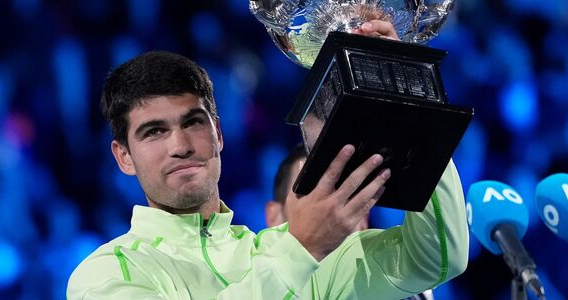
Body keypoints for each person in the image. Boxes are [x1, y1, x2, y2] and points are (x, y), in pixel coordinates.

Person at [68, 21, 468, 299]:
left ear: (218, 135)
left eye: (193, 122)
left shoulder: (282, 250)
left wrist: (407, 98)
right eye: (154, 131)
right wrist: (301, 247)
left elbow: (434, 258)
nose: (180, 145)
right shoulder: (105, 273)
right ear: (124, 156)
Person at [266, 144, 437, 300]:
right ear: (274, 215)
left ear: (363, 217)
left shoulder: (404, 291)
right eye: (310, 198)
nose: (329, 215)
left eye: (344, 199)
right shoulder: (248, 285)